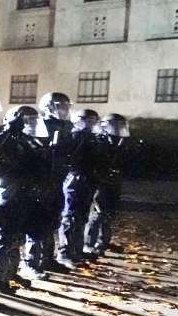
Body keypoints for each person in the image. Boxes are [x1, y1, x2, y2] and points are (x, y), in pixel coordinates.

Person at [0, 106, 52, 291]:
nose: (32, 125)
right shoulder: (8, 141)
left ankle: (10, 272)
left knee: (17, 238)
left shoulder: (31, 142)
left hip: (26, 195)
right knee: (5, 238)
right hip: (11, 194)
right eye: (27, 121)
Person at [23, 91, 73, 278]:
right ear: (50, 107)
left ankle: (48, 259)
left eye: (67, 106)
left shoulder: (66, 127)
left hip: (57, 179)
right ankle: (31, 262)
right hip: (42, 179)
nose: (65, 110)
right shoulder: (41, 124)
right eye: (61, 106)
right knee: (37, 223)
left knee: (53, 220)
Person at [56, 108, 101, 269]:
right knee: (70, 216)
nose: (91, 124)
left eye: (93, 121)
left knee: (82, 216)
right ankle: (64, 252)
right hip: (74, 179)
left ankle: (76, 250)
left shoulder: (93, 138)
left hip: (87, 179)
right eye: (88, 121)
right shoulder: (73, 136)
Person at [84, 113, 133, 257]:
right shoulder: (100, 141)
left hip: (114, 181)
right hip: (101, 181)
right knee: (97, 213)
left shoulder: (121, 142)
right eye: (115, 126)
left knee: (108, 214)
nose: (118, 129)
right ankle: (88, 244)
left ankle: (103, 242)